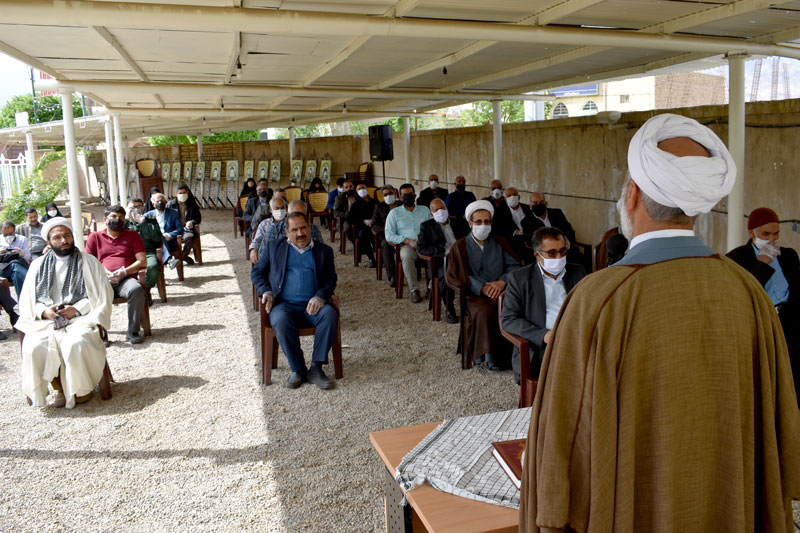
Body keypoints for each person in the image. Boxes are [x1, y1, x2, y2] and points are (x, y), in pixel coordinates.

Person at [519, 113, 800, 532]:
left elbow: (565, 439)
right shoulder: (747, 291)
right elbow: (779, 427)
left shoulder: (598, 298)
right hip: (731, 507)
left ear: (631, 196)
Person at [17, 217, 113, 408]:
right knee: (34, 347)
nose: (64, 241)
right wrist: (44, 311)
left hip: (81, 318)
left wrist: (76, 309)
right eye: (57, 237)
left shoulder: (89, 262)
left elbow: (102, 294)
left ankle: (80, 389)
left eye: (67, 235)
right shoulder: (37, 266)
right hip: (46, 321)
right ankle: (60, 387)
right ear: (48, 242)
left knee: (75, 343)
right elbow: (27, 300)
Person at [251, 212, 338, 390]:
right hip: (284, 305)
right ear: (286, 232)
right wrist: (265, 291)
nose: (300, 233)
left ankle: (316, 368)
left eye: (303, 228)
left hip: (313, 305)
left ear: (310, 227)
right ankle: (297, 369)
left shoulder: (324, 251)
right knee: (280, 321)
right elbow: (257, 272)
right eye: (294, 229)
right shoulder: (274, 247)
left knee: (329, 314)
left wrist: (320, 296)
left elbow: (331, 278)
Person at [727, 207, 800, 404]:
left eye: (776, 233)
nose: (772, 239)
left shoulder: (789, 256)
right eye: (766, 234)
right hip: (759, 324)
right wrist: (762, 263)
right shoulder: (736, 258)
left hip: (787, 324)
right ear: (752, 233)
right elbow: (743, 294)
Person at [500, 227, 585, 385]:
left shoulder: (577, 272)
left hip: (576, 338)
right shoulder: (520, 279)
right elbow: (509, 319)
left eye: (562, 251)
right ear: (537, 254)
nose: (558, 257)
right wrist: (543, 335)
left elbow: (588, 308)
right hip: (541, 346)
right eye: (551, 253)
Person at [445, 200, 520, 370]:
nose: (483, 225)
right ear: (470, 223)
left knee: (514, 308)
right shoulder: (460, 246)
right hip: (474, 294)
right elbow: (457, 274)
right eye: (478, 222)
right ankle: (489, 356)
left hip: (502, 291)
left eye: (487, 221)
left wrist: (501, 282)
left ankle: (515, 355)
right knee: (485, 311)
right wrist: (482, 287)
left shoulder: (500, 242)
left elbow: (515, 266)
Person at [85, 205, 147, 345]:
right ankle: (102, 333)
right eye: (113, 216)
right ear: (105, 219)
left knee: (136, 289)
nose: (117, 220)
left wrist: (124, 272)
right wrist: (102, 272)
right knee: (93, 292)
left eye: (120, 217)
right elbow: (87, 262)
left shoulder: (132, 235)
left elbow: (142, 261)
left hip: (126, 279)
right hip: (103, 280)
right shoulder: (95, 237)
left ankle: (133, 331)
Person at [417, 198, 469, 323]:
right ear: (431, 213)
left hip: (462, 257)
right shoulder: (426, 226)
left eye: (442, 208)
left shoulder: (459, 222)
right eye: (436, 210)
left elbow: (469, 239)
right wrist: (443, 252)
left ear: (447, 209)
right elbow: (422, 248)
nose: (440, 212)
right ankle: (449, 309)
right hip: (442, 260)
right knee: (445, 276)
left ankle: (470, 305)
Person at [385, 183, 432, 303]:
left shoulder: (425, 210)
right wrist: (407, 240)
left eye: (410, 195)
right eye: (404, 195)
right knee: (406, 256)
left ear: (415, 195)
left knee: (436, 255)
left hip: (425, 243)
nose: (407, 197)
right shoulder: (394, 213)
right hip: (407, 245)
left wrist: (424, 238)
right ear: (400, 197)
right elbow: (389, 235)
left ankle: (432, 288)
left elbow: (433, 228)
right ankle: (414, 290)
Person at [125, 198, 162, 298]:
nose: (136, 209)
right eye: (132, 207)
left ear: (143, 207)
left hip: (147, 252)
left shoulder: (150, 221)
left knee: (153, 267)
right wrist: (125, 219)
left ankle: (146, 291)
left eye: (138, 207)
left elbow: (157, 238)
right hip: (128, 254)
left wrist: (143, 224)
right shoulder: (124, 223)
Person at [371, 185, 401, 286]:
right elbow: (374, 224)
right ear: (383, 196)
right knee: (386, 246)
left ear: (395, 193)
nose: (388, 196)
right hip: (387, 235)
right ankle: (392, 275)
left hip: (404, 234)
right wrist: (387, 229)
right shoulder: (379, 207)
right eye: (386, 194)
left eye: (390, 193)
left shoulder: (402, 204)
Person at [144, 192, 183, 270]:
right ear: (153, 203)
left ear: (165, 201)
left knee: (161, 237)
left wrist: (170, 235)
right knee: (159, 236)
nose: (160, 202)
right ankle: (169, 260)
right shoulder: (148, 215)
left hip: (170, 242)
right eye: (157, 201)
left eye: (162, 200)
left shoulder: (174, 213)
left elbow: (180, 229)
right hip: (154, 244)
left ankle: (168, 260)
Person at [166, 183, 202, 265]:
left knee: (190, 237)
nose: (182, 195)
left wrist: (192, 222)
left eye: (184, 193)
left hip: (186, 229)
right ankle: (183, 258)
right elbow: (166, 219)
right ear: (176, 194)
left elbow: (198, 218)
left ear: (188, 193)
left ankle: (181, 257)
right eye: (180, 193)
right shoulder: (170, 205)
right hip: (174, 229)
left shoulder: (192, 204)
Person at [493, 186, 532, 262]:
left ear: (519, 197)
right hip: (512, 243)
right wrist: (515, 232)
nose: (512, 197)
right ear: (505, 198)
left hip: (529, 241)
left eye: (514, 195)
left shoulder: (526, 208)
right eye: (509, 196)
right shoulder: (499, 211)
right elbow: (499, 229)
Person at [345, 183, 377, 267]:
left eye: (363, 187)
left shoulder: (375, 202)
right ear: (356, 191)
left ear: (367, 189)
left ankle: (383, 258)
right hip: (363, 227)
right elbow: (350, 218)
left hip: (376, 225)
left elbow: (381, 214)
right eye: (359, 189)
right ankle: (371, 258)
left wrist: (373, 221)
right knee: (362, 235)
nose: (362, 190)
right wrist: (363, 221)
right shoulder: (356, 204)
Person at [249, 196, 287, 264]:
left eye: (282, 208)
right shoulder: (264, 224)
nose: (280, 211)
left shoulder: (290, 223)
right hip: (268, 257)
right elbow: (257, 241)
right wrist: (253, 250)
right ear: (271, 210)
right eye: (277, 208)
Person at [0, 220, 31, 299]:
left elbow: (28, 258)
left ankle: (22, 300)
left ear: (14, 230)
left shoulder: (22, 239)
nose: (8, 236)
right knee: (16, 267)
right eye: (5, 235)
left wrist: (21, 253)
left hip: (18, 267)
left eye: (11, 234)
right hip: (3, 268)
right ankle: (26, 299)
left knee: (17, 273)